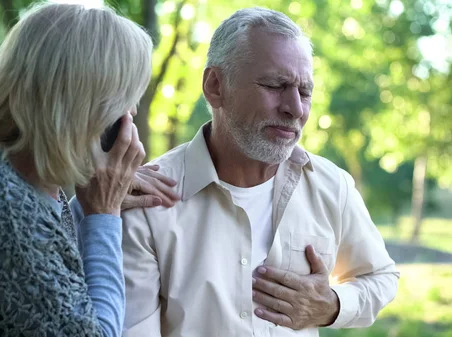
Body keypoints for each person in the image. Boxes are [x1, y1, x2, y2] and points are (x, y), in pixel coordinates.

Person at [0, 3, 179, 337]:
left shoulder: (2, 175)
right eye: (125, 99)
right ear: (82, 103)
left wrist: (87, 208)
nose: (130, 113)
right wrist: (104, 215)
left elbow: (46, 285)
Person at [119, 7, 400, 337]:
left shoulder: (331, 185)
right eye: (275, 85)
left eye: (305, 91)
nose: (295, 108)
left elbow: (381, 277)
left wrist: (332, 304)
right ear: (215, 86)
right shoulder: (146, 203)